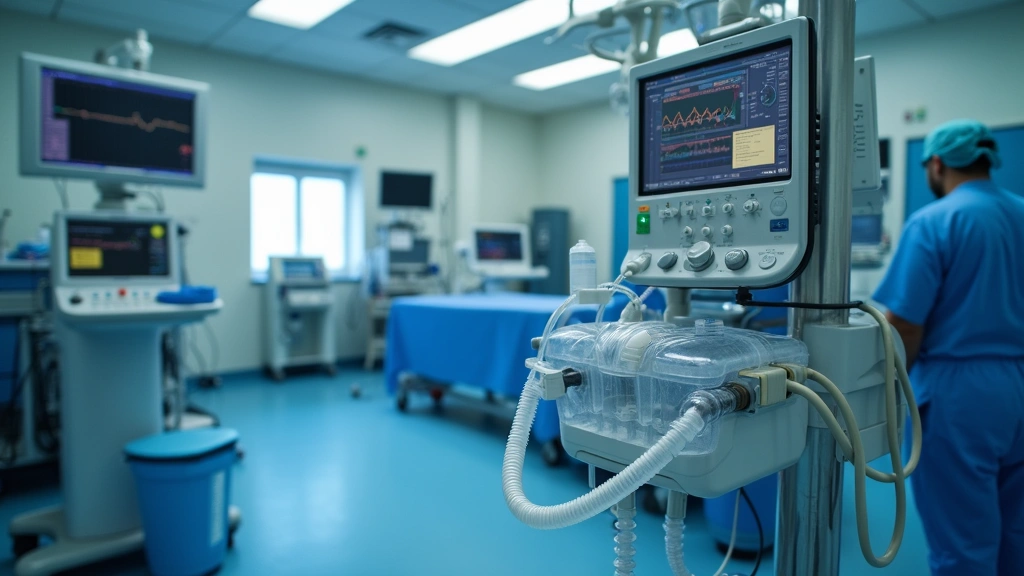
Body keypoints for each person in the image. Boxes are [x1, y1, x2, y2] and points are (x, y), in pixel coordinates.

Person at [873, 119, 1024, 576]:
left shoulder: (935, 222)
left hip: (960, 396)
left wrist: (893, 392)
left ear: (936, 164)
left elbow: (904, 323)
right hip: (1017, 383)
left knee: (963, 542)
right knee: (1017, 530)